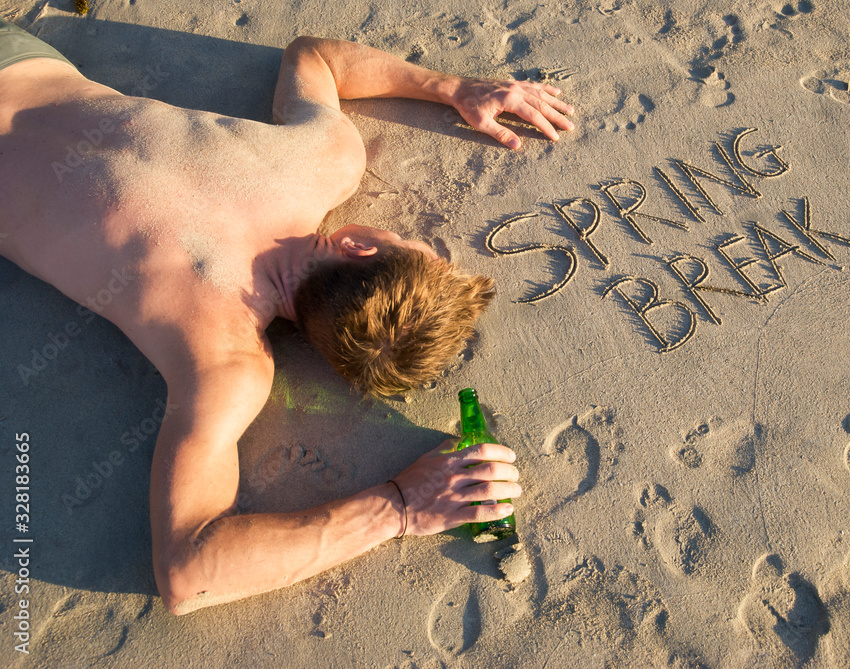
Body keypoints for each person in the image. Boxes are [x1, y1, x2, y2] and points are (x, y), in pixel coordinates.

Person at [0, 18, 574, 614]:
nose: (409, 231)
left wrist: (453, 87)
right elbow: (187, 570)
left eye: (413, 240)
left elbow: (317, 55)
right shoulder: (222, 357)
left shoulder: (321, 160)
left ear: (357, 246)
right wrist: (399, 506)